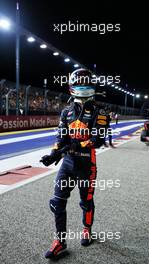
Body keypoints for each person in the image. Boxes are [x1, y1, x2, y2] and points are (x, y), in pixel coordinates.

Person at [40, 69, 108, 259]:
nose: (83, 85)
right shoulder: (67, 111)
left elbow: (98, 139)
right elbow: (61, 138)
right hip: (68, 163)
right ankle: (60, 241)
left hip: (87, 164)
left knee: (85, 202)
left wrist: (75, 144)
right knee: (56, 202)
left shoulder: (99, 111)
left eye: (86, 82)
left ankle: (87, 229)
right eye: (80, 82)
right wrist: (54, 153)